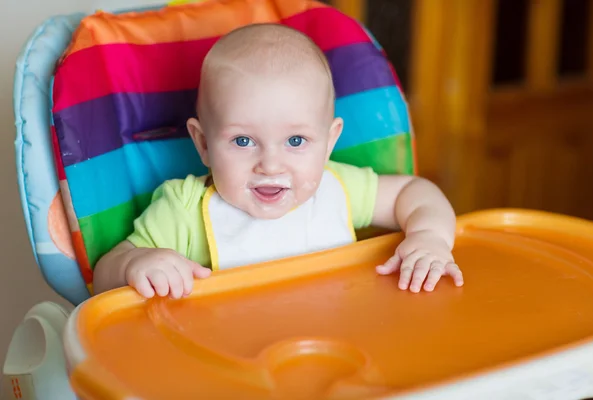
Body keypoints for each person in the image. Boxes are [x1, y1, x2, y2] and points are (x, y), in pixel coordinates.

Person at [93, 23, 463, 299]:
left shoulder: (338, 189)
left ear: (330, 141)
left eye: (296, 141)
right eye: (243, 141)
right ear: (203, 144)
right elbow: (104, 275)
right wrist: (134, 264)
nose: (270, 165)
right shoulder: (184, 210)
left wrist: (429, 237)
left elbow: (414, 193)